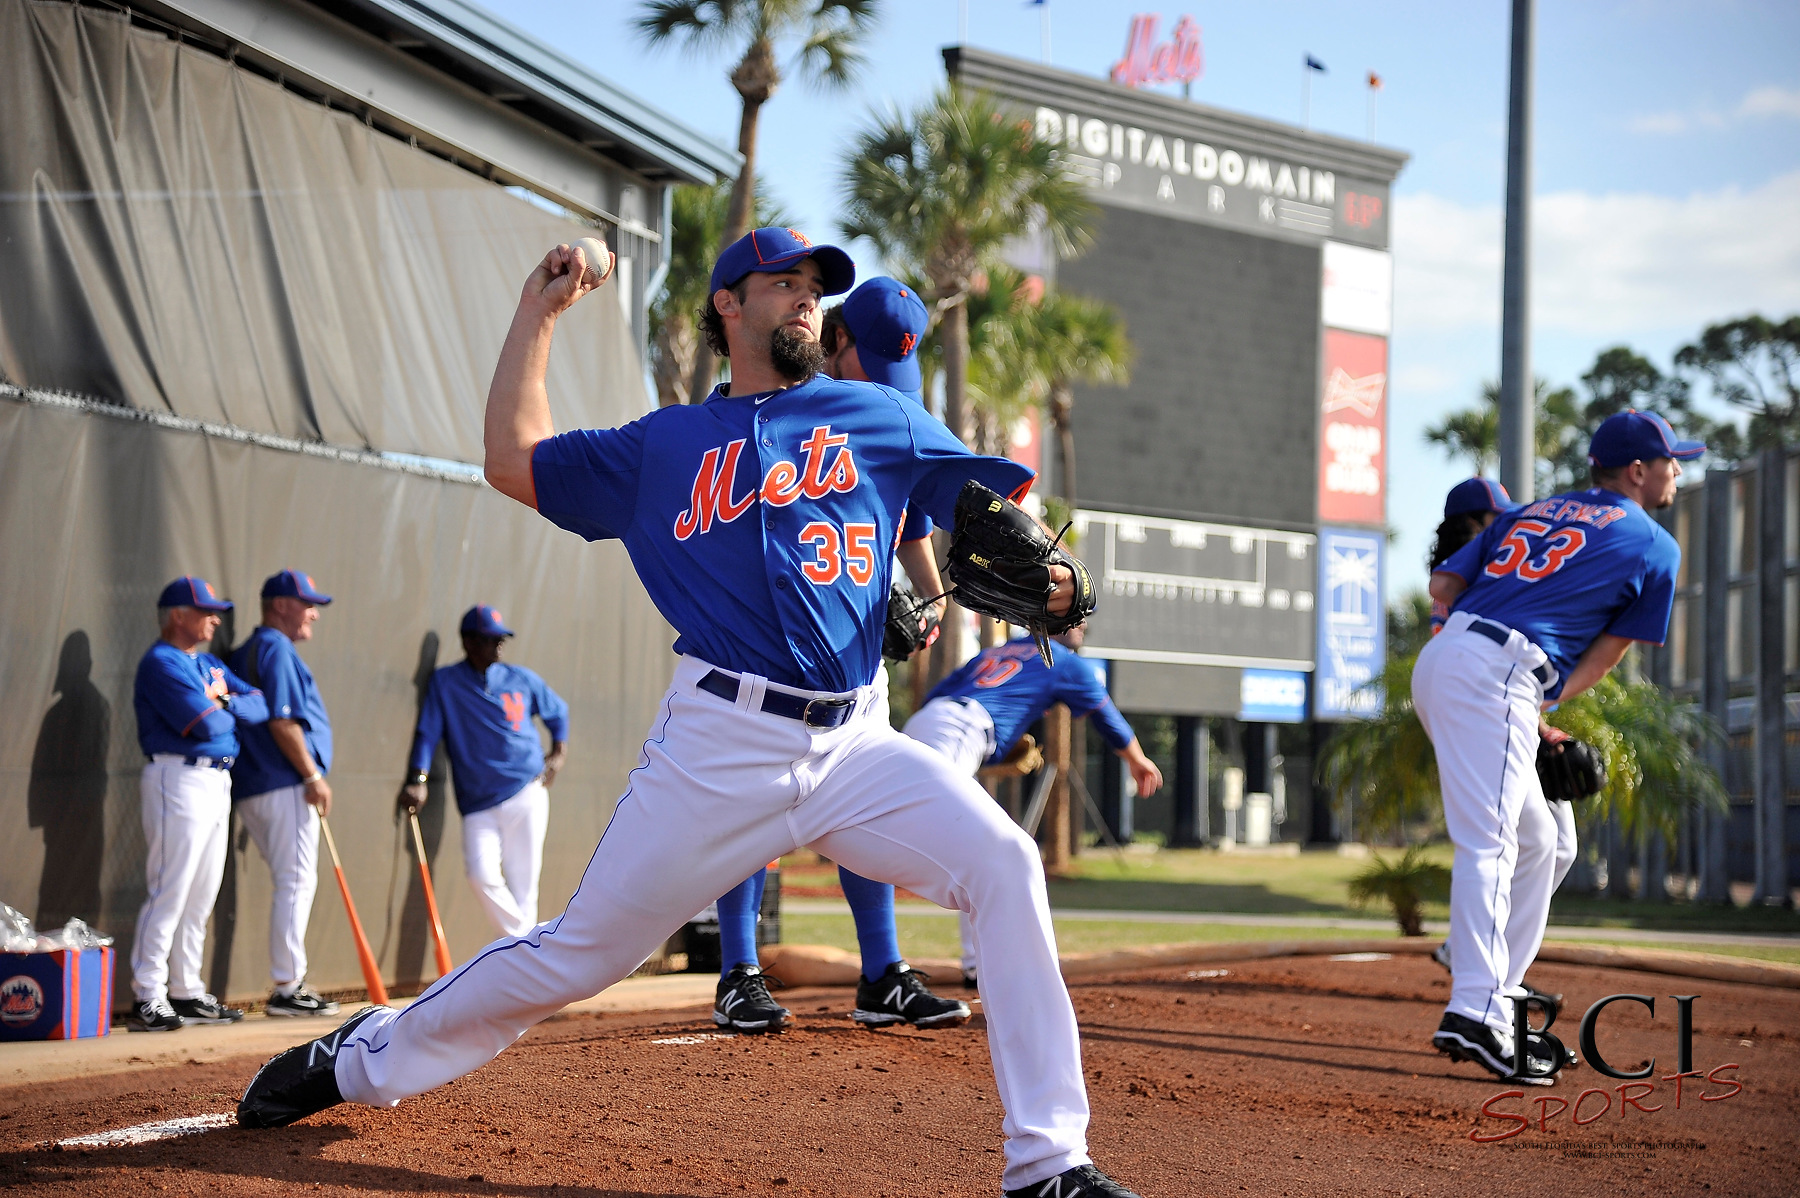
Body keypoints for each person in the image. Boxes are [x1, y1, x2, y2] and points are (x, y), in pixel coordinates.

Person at [241, 227, 1146, 1198]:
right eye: (785, 283)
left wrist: (1045, 580)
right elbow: (513, 457)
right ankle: (358, 1058)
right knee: (574, 957)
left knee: (1004, 863)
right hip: (720, 745)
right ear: (728, 304)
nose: (807, 300)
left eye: (816, 289)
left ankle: (1049, 1164)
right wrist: (538, 312)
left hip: (854, 742)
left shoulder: (873, 414)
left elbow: (968, 504)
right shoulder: (663, 445)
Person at [709, 276, 969, 1034]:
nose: (879, 390)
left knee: (863, 807)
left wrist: (928, 602)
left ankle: (882, 974)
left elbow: (914, 522)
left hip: (853, 662)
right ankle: (737, 970)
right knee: (746, 812)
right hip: (754, 658)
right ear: (834, 341)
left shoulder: (884, 417)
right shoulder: (776, 411)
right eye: (866, 366)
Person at [1419, 411, 1699, 1084]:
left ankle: (1499, 991)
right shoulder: (1655, 544)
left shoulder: (1537, 510)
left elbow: (1444, 586)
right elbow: (1607, 653)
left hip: (1454, 659)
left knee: (1546, 840)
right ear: (1637, 471)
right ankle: (1473, 1007)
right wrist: (1528, 702)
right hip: (1500, 674)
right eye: (1671, 461)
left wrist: (1500, 695)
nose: (1678, 472)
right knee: (1491, 843)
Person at [906, 623, 1162, 986]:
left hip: (929, 725)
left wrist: (986, 748)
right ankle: (974, 965)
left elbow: (938, 699)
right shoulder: (1061, 659)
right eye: (1074, 614)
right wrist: (1137, 760)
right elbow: (1107, 717)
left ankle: (949, 964)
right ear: (1045, 619)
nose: (1083, 622)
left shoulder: (996, 652)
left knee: (965, 846)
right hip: (961, 732)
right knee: (983, 849)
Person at [1424, 483, 1574, 1018]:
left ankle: (1489, 966)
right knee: (1518, 842)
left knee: (1553, 846)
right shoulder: (1464, 578)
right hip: (1480, 714)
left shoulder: (1492, 568)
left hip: (1503, 714)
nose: (1505, 524)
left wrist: (1539, 726)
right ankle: (1487, 983)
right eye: (1495, 515)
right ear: (1474, 520)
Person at [129, 576, 267, 1032]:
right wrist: (225, 711)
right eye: (205, 611)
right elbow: (206, 726)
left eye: (216, 611)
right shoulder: (160, 662)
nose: (215, 618)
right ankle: (149, 993)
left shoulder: (208, 664)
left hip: (215, 779)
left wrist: (222, 698)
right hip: (177, 776)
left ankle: (186, 990)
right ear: (177, 616)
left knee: (203, 890)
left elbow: (261, 705)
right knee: (170, 886)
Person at [400, 606, 570, 939]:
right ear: (468, 642)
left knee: (525, 886)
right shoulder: (446, 682)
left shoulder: (520, 677)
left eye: (501, 639)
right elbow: (428, 732)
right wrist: (417, 780)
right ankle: (529, 945)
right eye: (490, 639)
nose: (499, 646)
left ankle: (525, 967)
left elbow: (558, 712)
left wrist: (559, 754)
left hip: (526, 790)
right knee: (480, 875)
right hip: (478, 802)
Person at [229, 570, 341, 1018]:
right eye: (306, 602)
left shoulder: (250, 649)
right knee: (296, 881)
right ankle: (288, 986)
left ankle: (288, 982)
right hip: (282, 782)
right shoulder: (275, 646)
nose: (314, 611)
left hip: (257, 783)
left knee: (291, 881)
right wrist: (312, 775)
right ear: (279, 605)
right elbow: (282, 720)